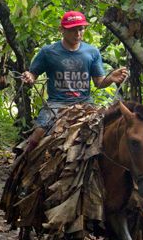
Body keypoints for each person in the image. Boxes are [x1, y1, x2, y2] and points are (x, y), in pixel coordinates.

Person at [19, 10, 128, 152]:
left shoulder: (92, 52)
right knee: (39, 132)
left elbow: (99, 83)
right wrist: (29, 77)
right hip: (56, 104)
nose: (78, 34)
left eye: (81, 29)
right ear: (62, 30)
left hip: (85, 104)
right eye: (72, 30)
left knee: (105, 132)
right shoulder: (48, 52)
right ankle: (23, 163)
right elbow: (33, 74)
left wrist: (111, 78)